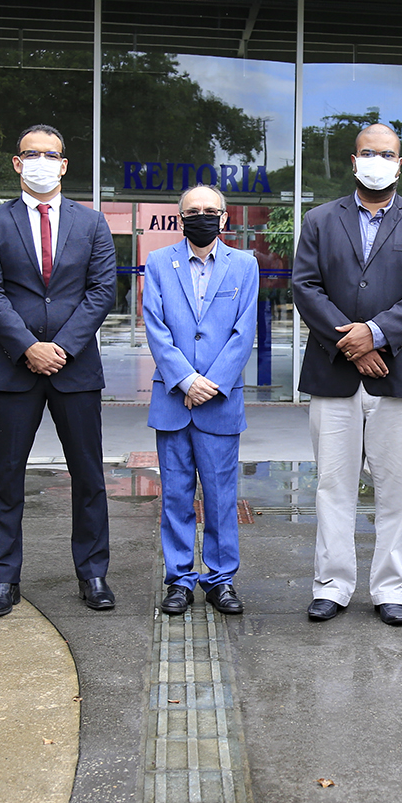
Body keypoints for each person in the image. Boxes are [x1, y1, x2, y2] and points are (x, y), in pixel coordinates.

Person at [292, 122, 402, 626]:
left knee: (397, 488)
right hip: (334, 372)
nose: (376, 160)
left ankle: (391, 589)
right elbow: (305, 286)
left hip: (399, 374)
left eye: (386, 153)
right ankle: (332, 585)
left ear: (399, 163)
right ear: (353, 160)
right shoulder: (319, 220)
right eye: (368, 152)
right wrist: (353, 344)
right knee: (332, 485)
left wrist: (377, 334)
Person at [0, 123, 117, 615]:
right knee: (5, 477)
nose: (40, 161)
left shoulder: (92, 222)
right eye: (30, 153)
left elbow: (101, 292)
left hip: (75, 370)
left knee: (89, 475)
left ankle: (93, 573)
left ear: (64, 164)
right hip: (14, 369)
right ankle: (3, 580)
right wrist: (29, 346)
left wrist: (63, 348)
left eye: (49, 154)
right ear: (17, 162)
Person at [143, 185, 260, 616]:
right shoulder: (158, 262)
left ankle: (220, 579)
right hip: (173, 400)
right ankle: (178, 580)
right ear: (180, 217)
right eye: (193, 211)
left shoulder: (245, 265)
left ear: (224, 218)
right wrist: (186, 380)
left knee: (220, 497)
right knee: (174, 496)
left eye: (211, 210)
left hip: (220, 402)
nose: (202, 216)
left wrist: (211, 383)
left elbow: (244, 331)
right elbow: (155, 326)